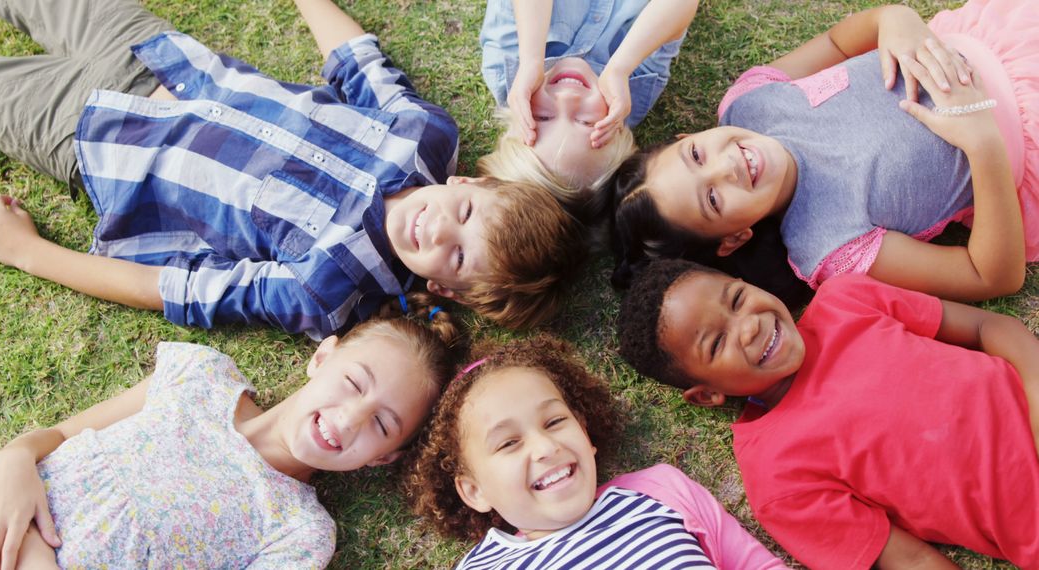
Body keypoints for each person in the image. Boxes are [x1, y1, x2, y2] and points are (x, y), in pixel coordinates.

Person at [0, 0, 586, 338]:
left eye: (454, 257)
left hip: (97, 143)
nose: (437, 230)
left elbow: (180, 292)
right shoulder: (422, 138)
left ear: (444, 291)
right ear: (469, 183)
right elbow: (357, 62)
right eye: (466, 215)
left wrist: (26, 253)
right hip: (159, 58)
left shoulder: (326, 289)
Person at [0, 293, 466, 569]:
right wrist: (10, 462)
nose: (350, 418)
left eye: (381, 424)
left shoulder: (300, 534)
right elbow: (56, 435)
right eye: (354, 382)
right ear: (322, 356)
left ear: (383, 458)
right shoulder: (198, 376)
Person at [608, 0, 1039, 305]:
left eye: (698, 157)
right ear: (733, 239)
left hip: (1006, 36)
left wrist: (895, 19)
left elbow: (837, 43)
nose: (728, 166)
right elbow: (991, 276)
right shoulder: (829, 246)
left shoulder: (749, 103)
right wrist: (982, 144)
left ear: (689, 136)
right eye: (713, 199)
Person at [617, 258, 1039, 568]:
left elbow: (995, 329)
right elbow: (910, 562)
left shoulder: (848, 298)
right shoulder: (775, 475)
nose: (748, 326)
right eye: (716, 343)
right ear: (707, 394)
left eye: (738, 299)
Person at [405, 336, 785, 569]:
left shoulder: (656, 490)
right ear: (474, 491)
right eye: (508, 443)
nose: (545, 446)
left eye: (554, 421)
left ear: (585, 433)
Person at [477, 0, 697, 219]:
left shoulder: (506, 67)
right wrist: (620, 68)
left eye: (543, 117)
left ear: (515, 119)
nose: (567, 98)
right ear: (618, 132)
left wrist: (531, 59)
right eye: (585, 121)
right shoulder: (634, 90)